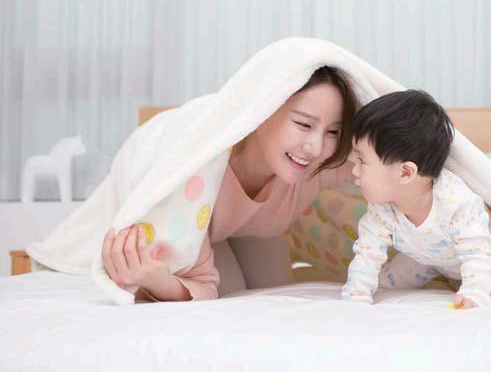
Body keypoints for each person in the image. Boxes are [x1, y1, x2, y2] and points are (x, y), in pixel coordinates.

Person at [101, 66, 358, 301]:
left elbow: (378, 159)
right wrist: (158, 281)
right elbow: (201, 287)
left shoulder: (320, 162)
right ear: (264, 110)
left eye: (333, 131)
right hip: (196, 231)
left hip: (252, 231)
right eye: (303, 124)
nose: (316, 147)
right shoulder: (200, 165)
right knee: (231, 295)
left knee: (278, 294)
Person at [341, 90, 491, 308]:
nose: (354, 170)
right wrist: (356, 296)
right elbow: (367, 253)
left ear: (405, 173)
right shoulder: (381, 208)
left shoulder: (456, 203)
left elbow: (477, 254)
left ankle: (464, 284)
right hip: (425, 255)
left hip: (486, 253)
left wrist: (474, 293)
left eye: (362, 161)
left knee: (486, 293)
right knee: (386, 283)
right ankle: (444, 276)